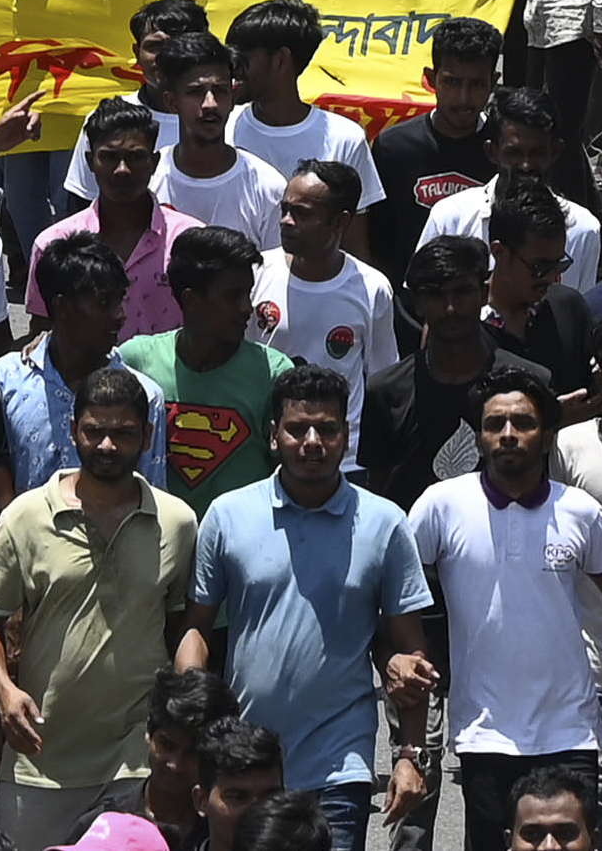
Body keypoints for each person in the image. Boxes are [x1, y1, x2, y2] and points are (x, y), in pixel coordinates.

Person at [185, 365, 433, 851]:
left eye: (328, 428)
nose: (313, 441)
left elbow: (411, 657)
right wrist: (192, 712)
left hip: (339, 763)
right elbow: (196, 628)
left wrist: (409, 754)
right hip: (246, 762)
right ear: (273, 436)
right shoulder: (227, 515)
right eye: (298, 429)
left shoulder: (385, 524)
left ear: (346, 436)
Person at [0, 362, 196, 850]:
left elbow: (181, 625)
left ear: (148, 434)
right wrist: (4, 692)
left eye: (124, 433)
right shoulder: (25, 516)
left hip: (137, 758)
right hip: (40, 759)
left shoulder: (177, 522)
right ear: (73, 431)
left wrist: (187, 697)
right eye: (95, 431)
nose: (108, 446)